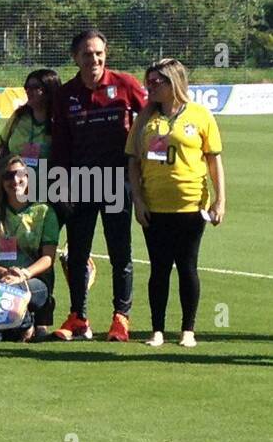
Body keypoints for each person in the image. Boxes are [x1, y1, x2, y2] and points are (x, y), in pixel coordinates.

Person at [50, 29, 148, 342]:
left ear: (106, 54)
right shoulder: (66, 95)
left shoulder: (125, 85)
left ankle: (121, 318)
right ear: (75, 58)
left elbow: (151, 120)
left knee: (121, 253)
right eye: (86, 54)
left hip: (117, 182)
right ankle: (78, 317)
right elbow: (61, 147)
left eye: (98, 53)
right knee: (77, 254)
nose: (94, 59)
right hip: (80, 183)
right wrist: (60, 188)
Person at [126, 58, 226, 348]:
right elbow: (132, 161)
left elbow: (213, 159)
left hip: (192, 206)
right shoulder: (144, 118)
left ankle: (188, 330)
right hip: (154, 207)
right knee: (158, 268)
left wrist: (220, 200)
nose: (152, 87)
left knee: (187, 266)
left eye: (158, 82)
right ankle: (157, 330)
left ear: (175, 83)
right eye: (150, 82)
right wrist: (138, 200)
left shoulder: (201, 115)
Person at [0, 68, 60, 330]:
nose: (30, 91)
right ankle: (9, 304)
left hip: (46, 199)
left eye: (37, 87)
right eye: (27, 86)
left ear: (50, 90)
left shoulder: (58, 121)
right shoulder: (18, 118)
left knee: (43, 255)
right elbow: (0, 151)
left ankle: (42, 316)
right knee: (10, 247)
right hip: (12, 193)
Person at [0, 156, 58, 344]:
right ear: (1, 181)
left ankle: (26, 323)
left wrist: (23, 274)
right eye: (8, 176)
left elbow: (48, 258)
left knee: (10, 291)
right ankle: (21, 323)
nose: (14, 180)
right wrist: (3, 273)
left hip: (34, 282)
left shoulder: (44, 211)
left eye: (20, 175)